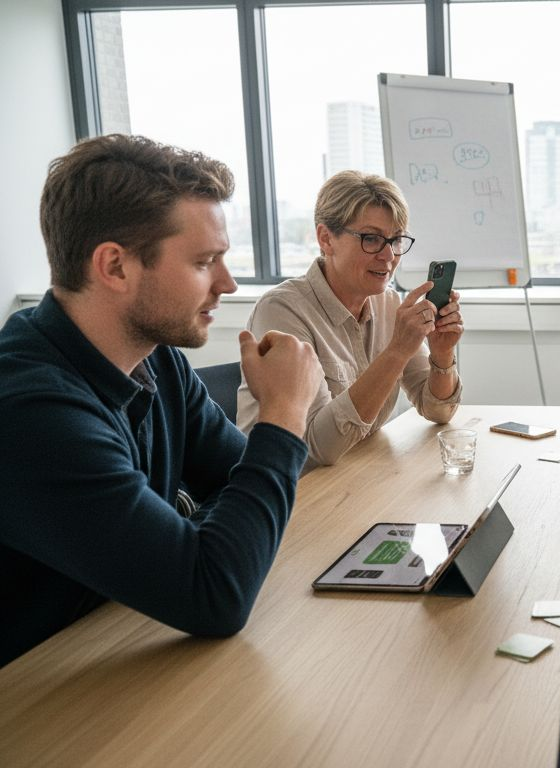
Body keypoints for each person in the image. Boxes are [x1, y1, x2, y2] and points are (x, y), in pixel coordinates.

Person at [0, 135, 323, 667]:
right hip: (36, 699)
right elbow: (215, 595)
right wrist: (284, 414)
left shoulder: (155, 358)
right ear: (116, 267)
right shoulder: (30, 414)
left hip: (116, 651)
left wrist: (191, 538)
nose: (228, 282)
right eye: (205, 261)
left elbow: (240, 482)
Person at [237, 171, 463, 468]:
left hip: (356, 475)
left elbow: (438, 411)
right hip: (292, 491)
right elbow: (318, 449)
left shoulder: (389, 303)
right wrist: (397, 351)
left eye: (395, 240)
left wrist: (442, 353)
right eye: (371, 239)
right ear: (326, 238)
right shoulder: (281, 310)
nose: (389, 255)